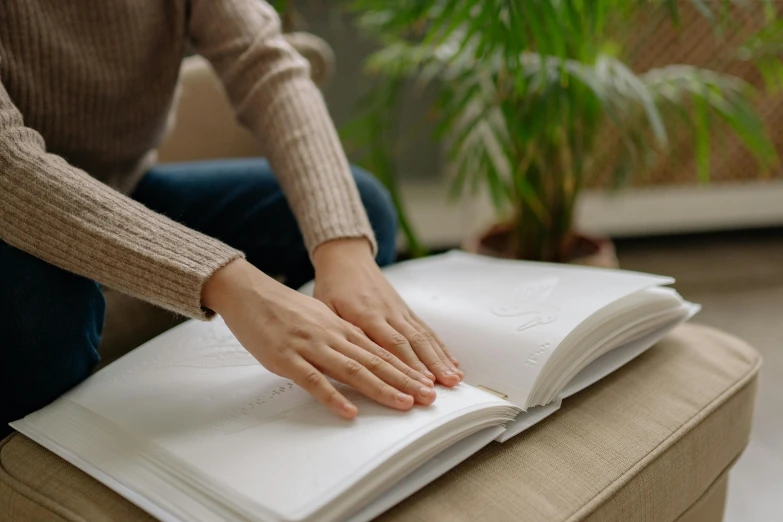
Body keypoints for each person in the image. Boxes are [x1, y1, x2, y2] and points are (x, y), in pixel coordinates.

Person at [0, 0, 463, 438]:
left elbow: (266, 65)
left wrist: (343, 248)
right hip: (11, 214)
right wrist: (233, 284)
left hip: (122, 186)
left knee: (362, 209)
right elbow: (8, 167)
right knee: (47, 304)